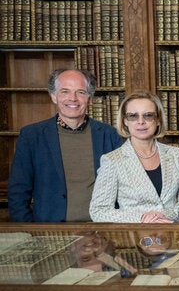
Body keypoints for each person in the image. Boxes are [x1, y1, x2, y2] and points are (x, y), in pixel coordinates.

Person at [8, 68, 123, 222]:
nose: (73, 98)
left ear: (89, 98)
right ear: (53, 96)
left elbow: (124, 189)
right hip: (49, 232)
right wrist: (29, 231)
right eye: (65, 91)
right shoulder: (31, 136)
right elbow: (18, 191)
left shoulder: (111, 135)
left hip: (101, 230)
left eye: (80, 92)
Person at [89, 92, 179, 223]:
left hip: (171, 235)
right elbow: (98, 211)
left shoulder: (174, 154)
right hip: (133, 238)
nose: (141, 121)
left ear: (158, 119)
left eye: (148, 115)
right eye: (133, 116)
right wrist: (141, 218)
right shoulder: (112, 160)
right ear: (125, 121)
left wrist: (166, 215)